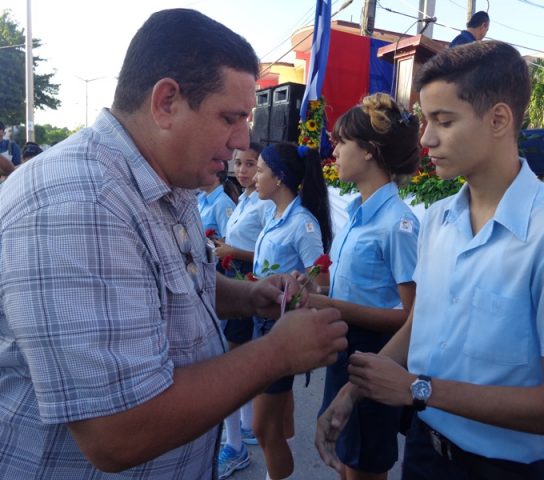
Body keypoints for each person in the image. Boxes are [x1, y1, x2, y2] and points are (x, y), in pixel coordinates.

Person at [0, 9, 347, 479]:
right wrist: (278, 353)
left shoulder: (167, 181)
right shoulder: (80, 203)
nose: (244, 138)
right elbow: (118, 433)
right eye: (230, 117)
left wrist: (250, 296)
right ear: (166, 102)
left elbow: (179, 281)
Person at [316, 41, 544, 480]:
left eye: (443, 121)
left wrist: (418, 389)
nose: (426, 138)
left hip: (497, 468)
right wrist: (353, 393)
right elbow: (421, 324)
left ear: (499, 120)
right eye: (426, 121)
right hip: (424, 447)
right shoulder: (438, 219)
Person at [309, 92, 420, 480]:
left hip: (377, 356)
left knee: (363, 466)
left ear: (370, 151)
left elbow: (412, 316)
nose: (333, 151)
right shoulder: (358, 213)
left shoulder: (397, 224)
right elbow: (350, 285)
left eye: (342, 143)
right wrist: (314, 287)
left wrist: (333, 308)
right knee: (343, 458)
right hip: (346, 352)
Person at [252, 142, 333, 480]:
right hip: (264, 322)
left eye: (259, 170)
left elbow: (323, 280)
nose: (254, 177)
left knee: (262, 429)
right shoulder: (275, 215)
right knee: (277, 423)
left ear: (280, 177)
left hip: (280, 331)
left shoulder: (302, 223)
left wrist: (301, 286)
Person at [213, 143, 272, 479]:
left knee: (233, 366)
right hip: (233, 277)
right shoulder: (244, 198)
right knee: (236, 358)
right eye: (238, 163)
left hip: (245, 281)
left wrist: (231, 249)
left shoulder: (263, 204)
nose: (244, 170)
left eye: (252, 164)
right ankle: (244, 429)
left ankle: (234, 447)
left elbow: (261, 252)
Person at [198, 160, 238, 240]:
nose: (199, 175)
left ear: (217, 176)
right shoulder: (201, 199)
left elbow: (229, 241)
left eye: (204, 172)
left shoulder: (223, 204)